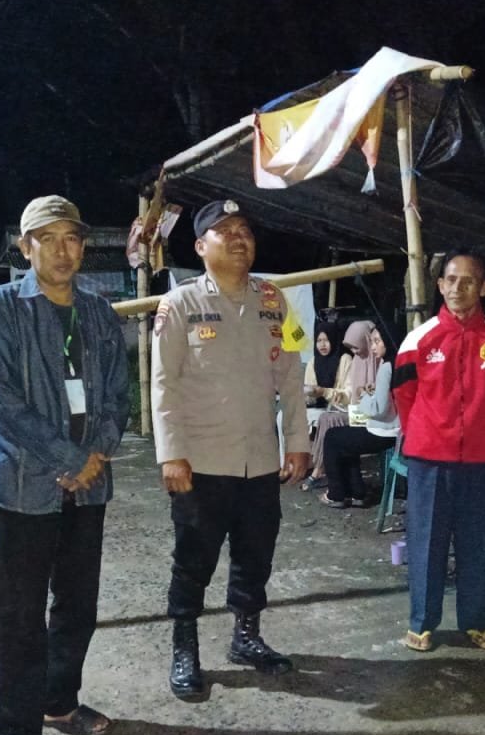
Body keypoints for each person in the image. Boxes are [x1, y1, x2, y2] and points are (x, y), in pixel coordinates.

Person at [0, 195, 130, 735]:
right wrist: (69, 458)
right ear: (26, 246)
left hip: (88, 488)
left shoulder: (97, 311)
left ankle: (60, 701)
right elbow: (0, 396)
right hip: (23, 486)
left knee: (78, 605)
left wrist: (96, 454)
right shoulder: (1, 307)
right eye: (49, 238)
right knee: (19, 616)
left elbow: (117, 393)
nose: (64, 251)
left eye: (73, 238)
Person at [151, 198, 310, 700]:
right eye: (226, 231)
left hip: (259, 458)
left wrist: (298, 442)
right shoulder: (179, 305)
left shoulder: (274, 301)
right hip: (201, 461)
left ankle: (246, 637)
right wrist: (171, 454)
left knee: (255, 554)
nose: (239, 238)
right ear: (201, 247)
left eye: (245, 230)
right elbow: (163, 385)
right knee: (193, 560)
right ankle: (185, 647)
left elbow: (292, 375)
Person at [392, 250, 485, 652]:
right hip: (429, 460)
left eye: (468, 281)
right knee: (426, 544)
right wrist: (431, 432)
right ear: (439, 284)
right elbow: (404, 394)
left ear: (484, 287)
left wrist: (479, 426)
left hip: (480, 461)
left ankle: (476, 622)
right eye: (450, 280)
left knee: (475, 543)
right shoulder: (420, 338)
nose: (457, 288)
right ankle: (422, 623)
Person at [318, 325, 400, 507]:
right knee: (346, 440)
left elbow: (378, 408)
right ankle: (357, 493)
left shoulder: (386, 366)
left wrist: (363, 395)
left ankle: (336, 494)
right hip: (390, 428)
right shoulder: (395, 362)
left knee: (332, 437)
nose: (373, 347)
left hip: (383, 430)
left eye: (377, 342)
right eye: (372, 342)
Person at [300, 319, 352, 490]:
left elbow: (348, 396)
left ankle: (318, 470)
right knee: (283, 416)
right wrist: (308, 395)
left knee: (325, 419)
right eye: (319, 340)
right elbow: (310, 394)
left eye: (327, 340)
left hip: (343, 408)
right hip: (319, 406)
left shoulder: (345, 360)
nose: (322, 345)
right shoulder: (313, 362)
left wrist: (324, 391)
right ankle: (294, 464)